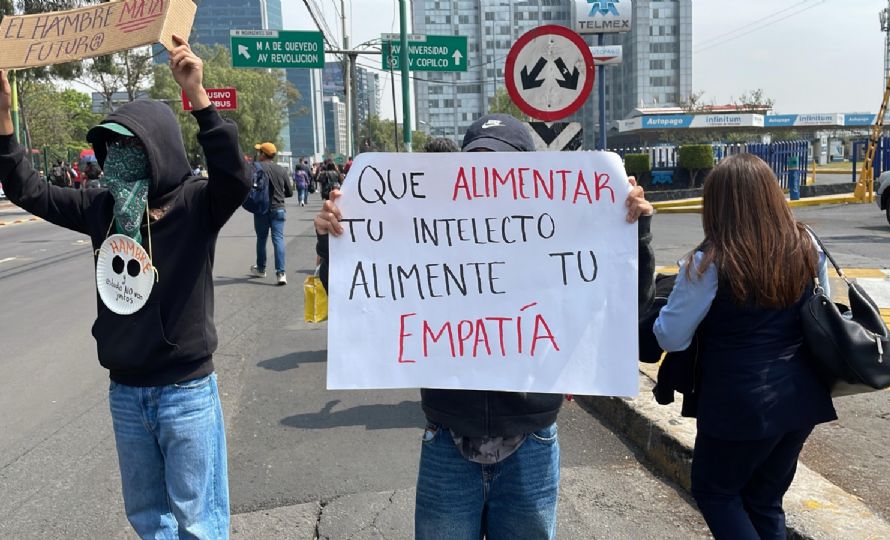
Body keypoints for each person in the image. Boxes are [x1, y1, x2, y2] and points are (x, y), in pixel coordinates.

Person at [315, 115, 656, 539]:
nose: (489, 177)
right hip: (448, 440)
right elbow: (364, 299)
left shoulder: (560, 232)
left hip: (530, 443)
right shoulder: (432, 233)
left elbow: (626, 309)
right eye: (477, 165)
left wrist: (633, 234)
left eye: (501, 166)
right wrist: (336, 242)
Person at [0, 36, 249, 539]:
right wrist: (1, 120)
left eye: (132, 148)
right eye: (112, 148)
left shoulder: (196, 205)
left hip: (185, 391)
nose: (119, 161)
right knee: (149, 521)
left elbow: (234, 177)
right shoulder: (102, 210)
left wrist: (197, 97)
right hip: (127, 393)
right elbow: (29, 190)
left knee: (200, 523)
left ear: (160, 151)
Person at [652, 153, 836, 540]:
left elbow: (671, 336)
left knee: (716, 491)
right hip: (802, 397)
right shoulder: (807, 244)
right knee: (764, 499)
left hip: (738, 404)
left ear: (717, 205)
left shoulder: (709, 262)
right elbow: (822, 313)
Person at [248, 141, 294, 286]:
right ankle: (281, 274)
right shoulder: (281, 169)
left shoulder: (256, 167)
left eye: (259, 152)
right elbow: (290, 192)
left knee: (261, 239)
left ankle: (261, 269)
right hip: (279, 209)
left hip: (262, 209)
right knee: (278, 239)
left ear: (263, 154)